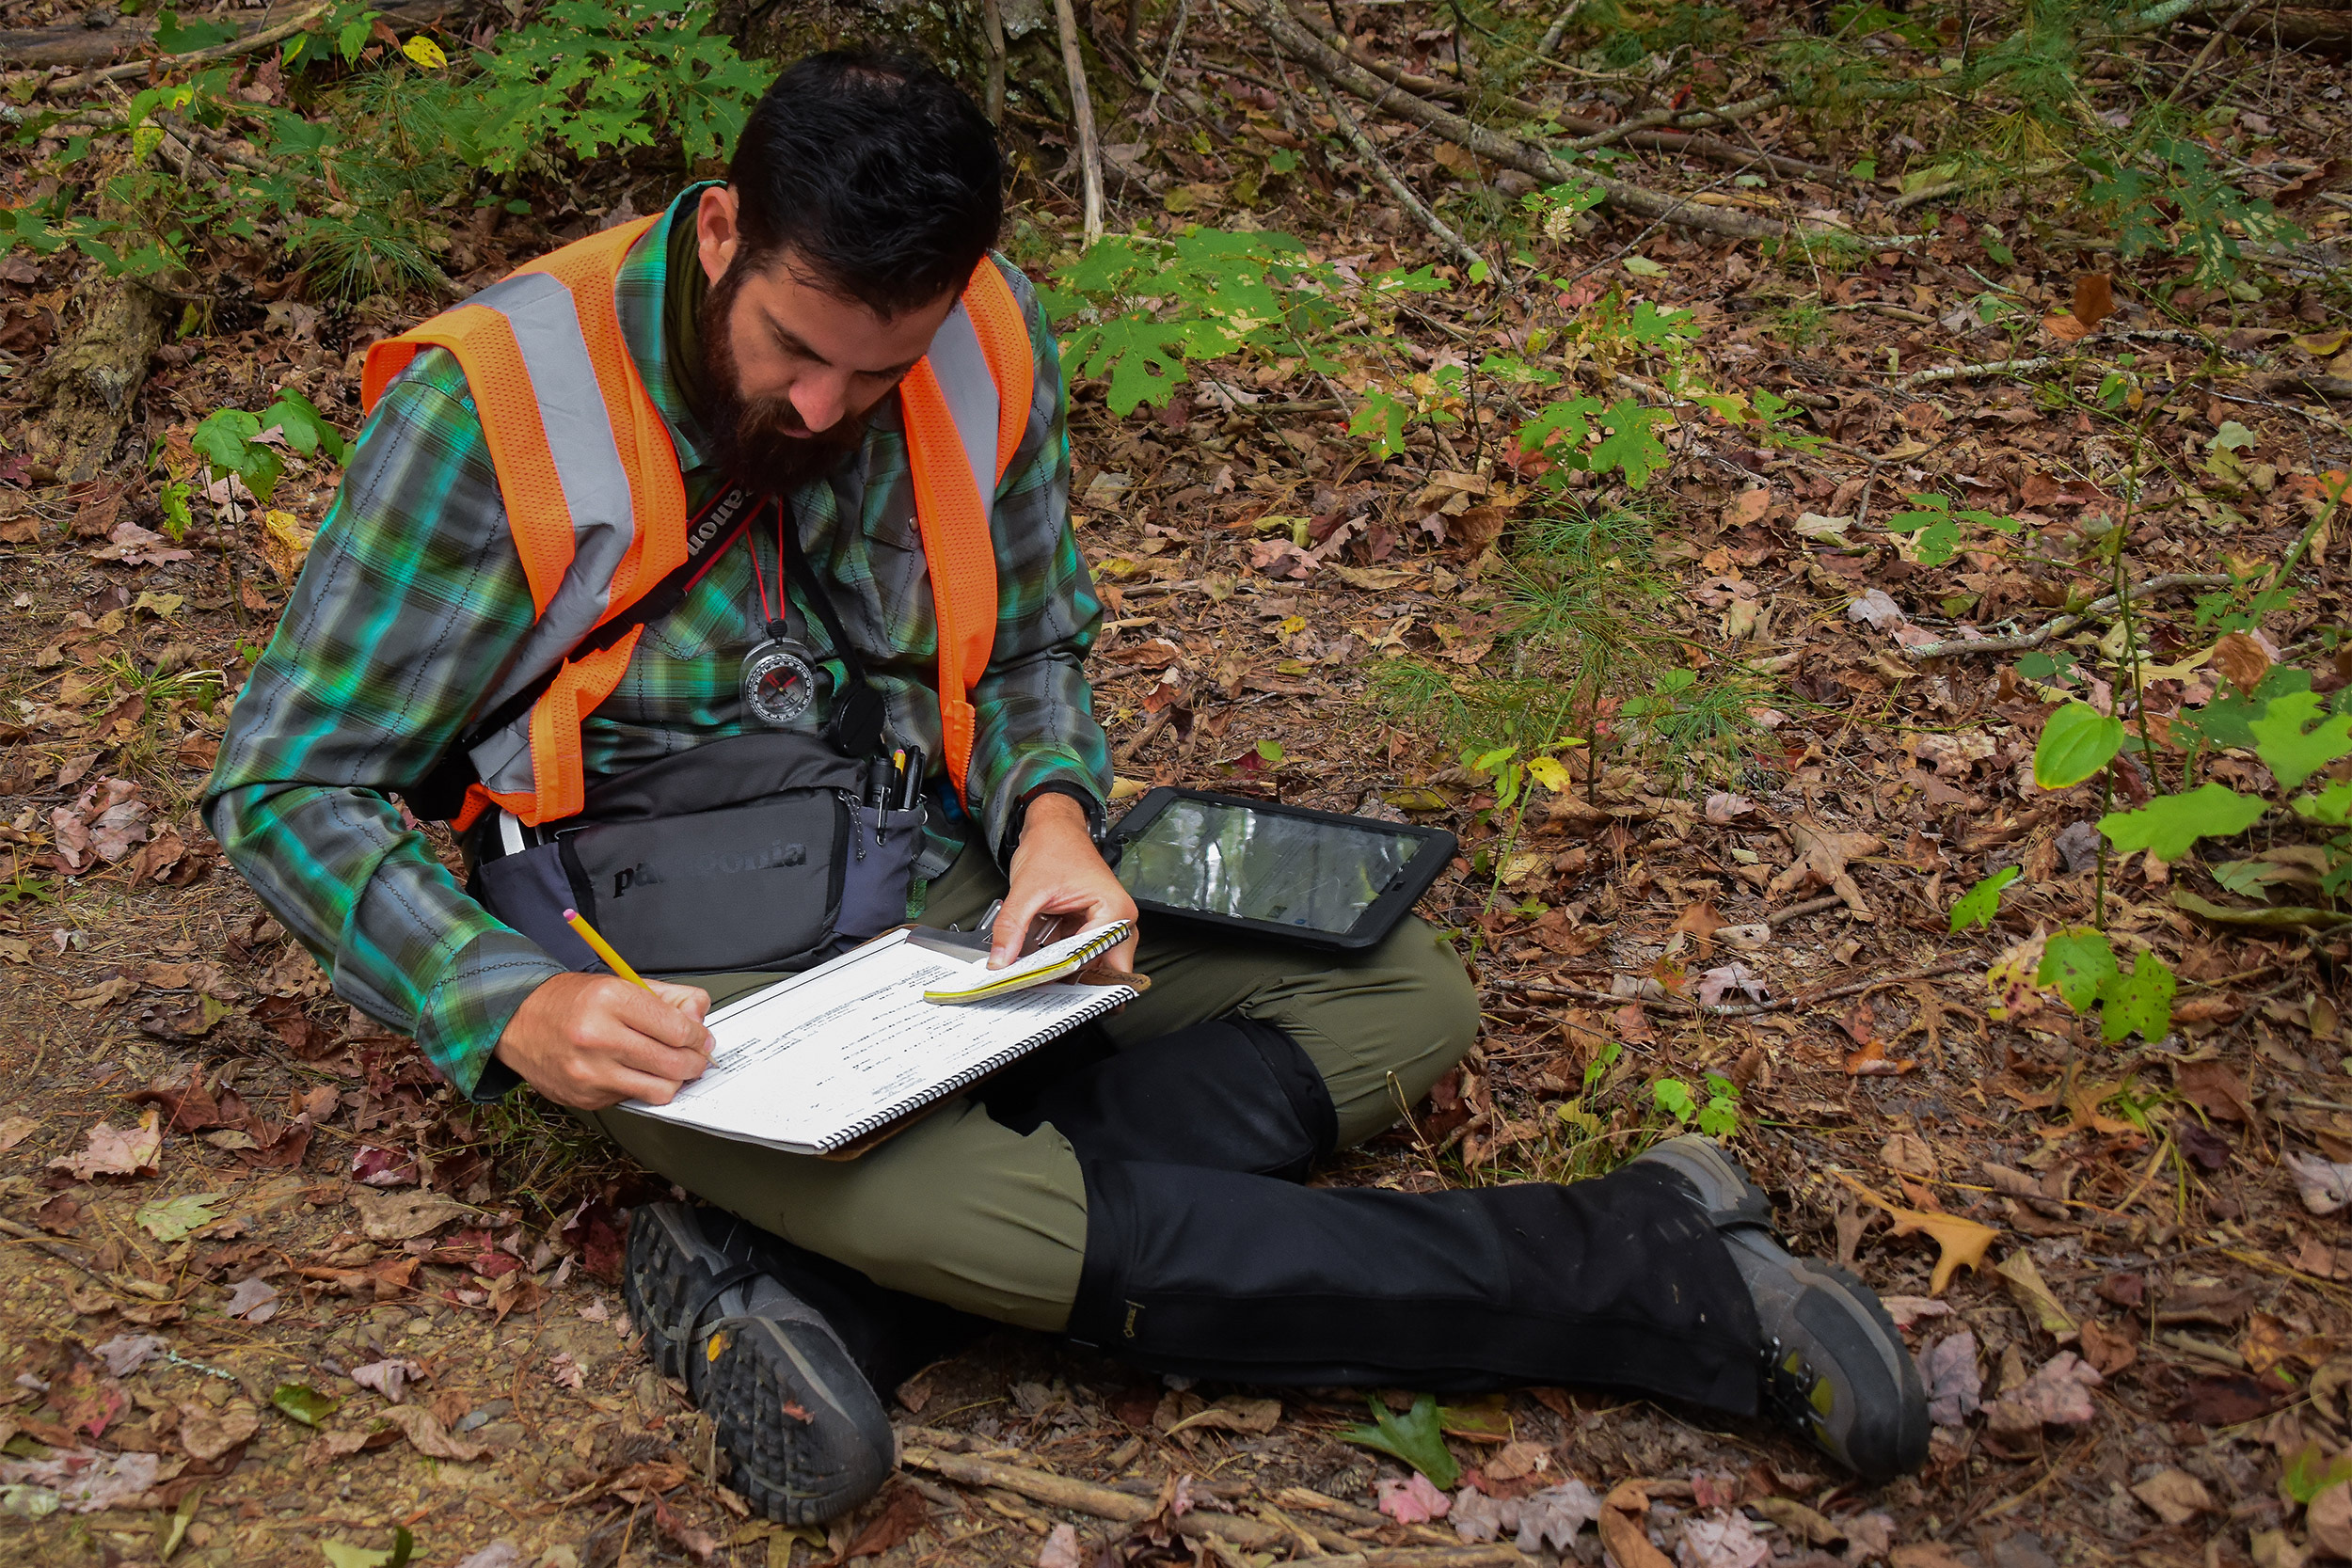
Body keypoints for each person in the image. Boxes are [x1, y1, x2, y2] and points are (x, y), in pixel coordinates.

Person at [203, 48, 1927, 1524]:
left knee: (1401, 997)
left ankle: (813, 1284)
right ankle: (1643, 1276)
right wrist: (507, 1003)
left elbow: (1028, 644)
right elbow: (286, 787)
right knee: (1005, 1217)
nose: (827, 404)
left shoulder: (979, 336)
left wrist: (1047, 820)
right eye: (797, 349)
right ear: (720, 230)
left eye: (878, 367)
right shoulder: (493, 404)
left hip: (930, 878)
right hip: (661, 959)